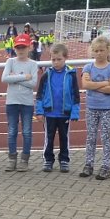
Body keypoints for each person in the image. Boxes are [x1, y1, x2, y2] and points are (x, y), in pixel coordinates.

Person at [35, 43, 80, 173]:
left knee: (64, 137)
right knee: (49, 138)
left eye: (59, 59)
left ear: (65, 58)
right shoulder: (46, 74)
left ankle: (64, 160)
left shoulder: (70, 74)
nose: (56, 62)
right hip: (49, 114)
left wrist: (75, 111)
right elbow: (40, 94)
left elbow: (75, 94)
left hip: (64, 113)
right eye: (53, 59)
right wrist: (39, 111)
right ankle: (48, 160)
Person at [79, 36, 110, 180]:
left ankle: (106, 166)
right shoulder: (88, 67)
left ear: (107, 50)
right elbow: (85, 85)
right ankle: (89, 164)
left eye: (102, 50)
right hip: (91, 107)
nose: (99, 53)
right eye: (96, 51)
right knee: (91, 136)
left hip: (107, 108)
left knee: (105, 136)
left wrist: (95, 86)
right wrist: (103, 83)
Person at [2, 34, 39, 172]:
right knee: (12, 131)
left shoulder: (33, 64)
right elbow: (5, 78)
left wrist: (14, 78)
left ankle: (25, 160)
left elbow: (33, 83)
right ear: (14, 48)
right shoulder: (10, 62)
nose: (21, 50)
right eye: (18, 47)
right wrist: (24, 77)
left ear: (29, 47)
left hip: (27, 103)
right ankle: (12, 159)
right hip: (12, 102)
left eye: (23, 47)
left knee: (27, 132)